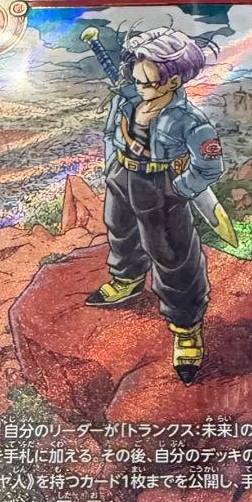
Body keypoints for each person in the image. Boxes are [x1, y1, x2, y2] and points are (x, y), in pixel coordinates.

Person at [85, 27, 224, 385]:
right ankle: (127, 278)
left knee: (172, 254)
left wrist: (179, 189)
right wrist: (112, 168)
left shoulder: (190, 121)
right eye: (137, 78)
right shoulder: (128, 99)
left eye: (147, 82)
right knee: (120, 229)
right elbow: (110, 133)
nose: (139, 85)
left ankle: (186, 328)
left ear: (173, 80)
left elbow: (210, 166)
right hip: (123, 176)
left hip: (161, 185)